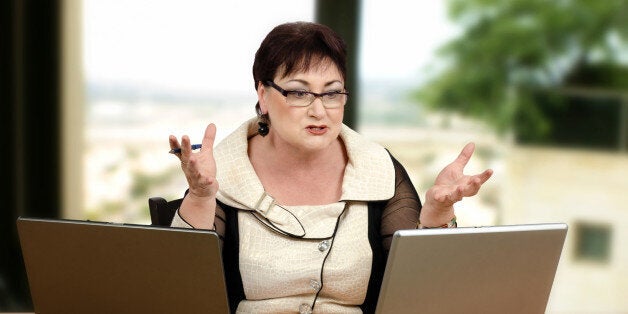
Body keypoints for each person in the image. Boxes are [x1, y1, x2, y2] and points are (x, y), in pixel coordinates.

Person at [168, 21, 493, 314]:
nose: (319, 110)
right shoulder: (222, 170)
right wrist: (199, 196)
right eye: (298, 92)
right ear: (263, 96)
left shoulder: (378, 168)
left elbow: (421, 292)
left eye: (332, 93)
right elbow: (181, 288)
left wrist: (435, 214)